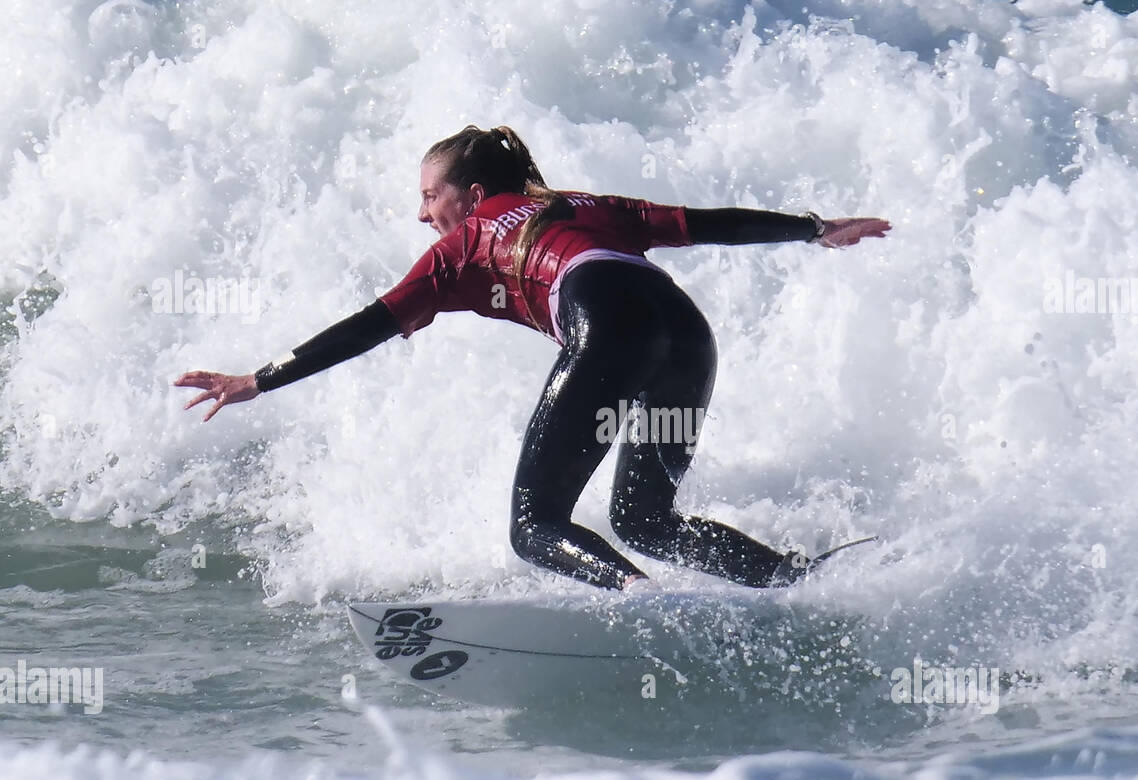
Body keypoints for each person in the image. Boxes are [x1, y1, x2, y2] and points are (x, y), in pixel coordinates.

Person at [174, 125, 890, 592]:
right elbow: (704, 224)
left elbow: (365, 325)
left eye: (431, 196)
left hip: (608, 327)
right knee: (645, 519)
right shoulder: (579, 205)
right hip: (684, 338)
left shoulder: (461, 246)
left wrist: (259, 379)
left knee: (533, 525)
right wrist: (815, 228)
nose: (424, 214)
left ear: (474, 194)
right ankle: (795, 582)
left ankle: (642, 604)